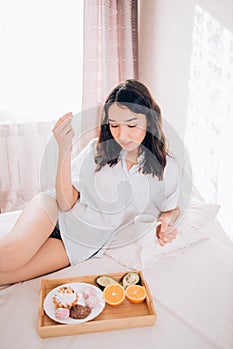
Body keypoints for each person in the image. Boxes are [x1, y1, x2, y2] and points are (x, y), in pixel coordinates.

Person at [0, 79, 180, 285]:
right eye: (114, 125)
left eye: (131, 125)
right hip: (53, 209)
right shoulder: (98, 149)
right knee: (9, 255)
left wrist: (166, 224)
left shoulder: (166, 166)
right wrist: (65, 149)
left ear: (148, 120)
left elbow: (170, 208)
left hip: (81, 243)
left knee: (5, 275)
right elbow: (66, 203)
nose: (122, 134)